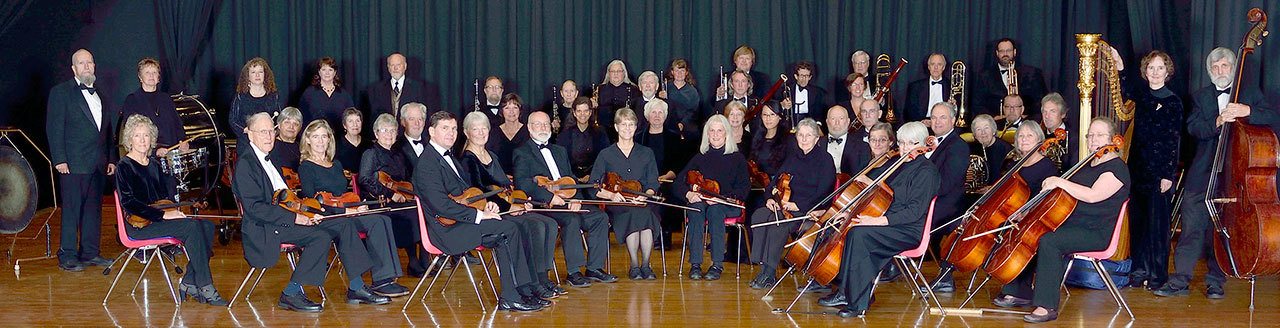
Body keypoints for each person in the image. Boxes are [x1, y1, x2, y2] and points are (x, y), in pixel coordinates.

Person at [1155, 47, 1278, 299]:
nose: (1220, 71)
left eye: (1225, 66)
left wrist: (1248, 112)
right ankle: (1180, 279)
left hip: (1234, 177)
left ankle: (1216, 280)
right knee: (1191, 228)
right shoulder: (1201, 97)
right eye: (1215, 67)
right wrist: (1217, 122)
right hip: (1202, 175)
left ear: (1234, 68)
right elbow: (1193, 128)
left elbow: (1273, 117)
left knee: (1223, 230)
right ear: (1210, 71)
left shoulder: (1250, 94)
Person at [992, 117, 1130, 323]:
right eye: (1090, 135)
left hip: (1096, 232)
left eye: (1100, 135)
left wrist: (1060, 181)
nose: (1093, 140)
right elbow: (1061, 197)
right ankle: (1019, 290)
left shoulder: (1116, 168)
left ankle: (1046, 306)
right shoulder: (1087, 164)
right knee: (1034, 230)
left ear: (1113, 138)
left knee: (1050, 241)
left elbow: (1092, 195)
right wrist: (1029, 211)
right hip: (1074, 225)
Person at [232, 112, 368, 312]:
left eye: (271, 131)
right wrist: (296, 217)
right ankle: (291, 293)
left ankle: (357, 286)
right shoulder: (246, 164)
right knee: (320, 237)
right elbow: (255, 209)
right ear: (250, 135)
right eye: (263, 132)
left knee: (344, 223)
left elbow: (286, 198)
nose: (269, 136)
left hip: (284, 218)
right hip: (266, 227)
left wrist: (306, 212)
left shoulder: (269, 159)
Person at [411, 111, 544, 312]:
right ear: (431, 132)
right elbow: (441, 206)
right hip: (445, 232)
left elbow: (467, 195)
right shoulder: (427, 163)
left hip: (460, 222)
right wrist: (480, 215)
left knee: (516, 226)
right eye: (445, 128)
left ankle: (523, 290)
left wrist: (485, 205)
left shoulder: (450, 158)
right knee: (508, 230)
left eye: (454, 128)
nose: (451, 133)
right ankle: (510, 296)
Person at [831, 122, 942, 318]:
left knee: (859, 234)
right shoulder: (899, 165)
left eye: (911, 143)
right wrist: (850, 215)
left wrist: (876, 221)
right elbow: (879, 199)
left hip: (908, 230)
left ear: (924, 143)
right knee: (853, 229)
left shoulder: (926, 171)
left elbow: (914, 212)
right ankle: (854, 293)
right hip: (889, 224)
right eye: (901, 143)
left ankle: (857, 302)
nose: (905, 149)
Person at [458, 111, 566, 303]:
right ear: (467, 133)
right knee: (534, 226)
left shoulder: (491, 155)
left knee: (548, 223)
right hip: (492, 211)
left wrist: (520, 201)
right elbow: (481, 193)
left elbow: (505, 187)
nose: (481, 132)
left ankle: (541, 277)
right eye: (476, 129)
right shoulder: (468, 159)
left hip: (507, 206)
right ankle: (531, 283)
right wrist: (511, 205)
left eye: (484, 128)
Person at [114, 114, 223, 305]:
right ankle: (206, 285)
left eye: (146, 136)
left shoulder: (154, 164)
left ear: (152, 140)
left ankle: (189, 282)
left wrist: (181, 206)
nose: (142, 140)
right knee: (191, 228)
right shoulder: (124, 166)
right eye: (137, 135)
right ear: (129, 139)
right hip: (139, 225)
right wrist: (164, 214)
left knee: (206, 226)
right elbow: (129, 203)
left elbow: (164, 198)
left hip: (158, 219)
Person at [296, 120, 410, 298]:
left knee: (381, 219)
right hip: (326, 217)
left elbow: (343, 195)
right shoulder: (306, 167)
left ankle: (384, 280)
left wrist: (358, 206)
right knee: (348, 225)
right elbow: (312, 204)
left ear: (329, 140)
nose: (320, 141)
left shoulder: (336, 165)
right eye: (315, 137)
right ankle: (358, 285)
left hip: (345, 212)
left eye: (324, 136)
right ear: (308, 140)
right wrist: (344, 212)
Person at [513, 111, 618, 287]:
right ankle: (574, 272)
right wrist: (550, 197)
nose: (543, 128)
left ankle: (594, 268)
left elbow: (571, 179)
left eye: (546, 124)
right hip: (545, 206)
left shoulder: (559, 151)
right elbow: (522, 184)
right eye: (538, 124)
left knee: (600, 218)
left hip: (569, 201)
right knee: (571, 219)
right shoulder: (522, 152)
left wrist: (576, 198)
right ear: (530, 128)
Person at [1114, 50, 1183, 290]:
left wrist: (1167, 175)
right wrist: (1120, 66)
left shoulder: (1173, 101)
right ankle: (1138, 270)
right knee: (1139, 222)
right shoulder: (1142, 96)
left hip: (1159, 173)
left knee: (1158, 226)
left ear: (1167, 72)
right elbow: (1125, 90)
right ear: (1145, 71)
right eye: (1151, 68)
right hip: (1137, 169)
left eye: (1159, 68)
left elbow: (1173, 141)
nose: (1154, 72)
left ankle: (1157, 275)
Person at [47, 48, 119, 272]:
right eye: (81, 63)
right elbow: (54, 127)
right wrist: (60, 159)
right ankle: (67, 255)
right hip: (73, 164)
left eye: (90, 62)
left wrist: (111, 158)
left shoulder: (101, 95)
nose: (87, 66)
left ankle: (89, 252)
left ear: (94, 66)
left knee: (92, 210)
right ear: (74, 69)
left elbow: (107, 132)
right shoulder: (61, 92)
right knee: (71, 210)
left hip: (97, 164)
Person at [748, 118, 836, 289]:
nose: (803, 139)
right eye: (800, 135)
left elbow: (825, 191)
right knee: (759, 215)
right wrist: (770, 198)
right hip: (784, 206)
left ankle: (769, 272)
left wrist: (799, 205)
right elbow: (774, 182)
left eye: (808, 135)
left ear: (816, 138)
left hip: (808, 210)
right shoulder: (792, 157)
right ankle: (762, 267)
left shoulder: (825, 159)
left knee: (778, 225)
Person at [589, 107, 663, 280]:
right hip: (618, 205)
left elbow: (653, 182)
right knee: (632, 213)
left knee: (645, 213)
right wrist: (611, 196)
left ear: (636, 127)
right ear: (616, 127)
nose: (627, 128)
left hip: (643, 202)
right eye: (623, 125)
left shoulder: (647, 153)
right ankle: (635, 265)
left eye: (631, 124)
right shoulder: (605, 154)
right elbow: (594, 185)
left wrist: (645, 195)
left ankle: (645, 264)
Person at [674, 114, 750, 280]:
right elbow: (678, 183)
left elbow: (744, 188)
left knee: (715, 211)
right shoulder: (700, 157)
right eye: (712, 131)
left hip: (728, 204)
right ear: (707, 134)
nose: (715, 135)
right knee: (695, 208)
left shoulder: (737, 158)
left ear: (726, 134)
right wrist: (689, 194)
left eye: (719, 131)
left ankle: (717, 264)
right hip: (703, 203)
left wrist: (721, 198)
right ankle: (695, 264)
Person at [358, 114, 431, 277]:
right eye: (384, 130)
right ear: (376, 133)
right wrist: (390, 193)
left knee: (421, 210)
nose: (389, 134)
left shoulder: (398, 154)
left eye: (392, 130)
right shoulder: (370, 153)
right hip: (379, 201)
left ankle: (425, 257)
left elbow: (406, 178)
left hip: (401, 198)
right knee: (410, 214)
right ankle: (413, 261)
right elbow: (364, 179)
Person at [924, 102, 971, 293]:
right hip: (933, 201)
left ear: (953, 120)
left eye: (943, 117)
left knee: (903, 217)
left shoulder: (957, 146)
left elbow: (946, 184)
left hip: (947, 206)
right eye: (934, 117)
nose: (937, 121)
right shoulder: (931, 142)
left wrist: (918, 196)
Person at [636, 99, 688, 248]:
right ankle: (645, 233)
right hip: (644, 180)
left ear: (665, 116)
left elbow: (679, 163)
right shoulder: (639, 138)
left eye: (660, 113)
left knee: (666, 193)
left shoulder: (674, 137)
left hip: (667, 179)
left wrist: (666, 176)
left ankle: (663, 233)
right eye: (654, 112)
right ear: (647, 116)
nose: (657, 116)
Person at [121, 57, 186, 156]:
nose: (151, 75)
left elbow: (177, 124)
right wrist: (155, 151)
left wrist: (183, 140)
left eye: (155, 72)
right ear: (140, 77)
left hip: (171, 154)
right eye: (147, 72)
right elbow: (132, 133)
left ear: (159, 77)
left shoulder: (166, 99)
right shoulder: (132, 100)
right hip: (148, 156)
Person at [977, 38, 1046, 119]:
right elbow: (978, 104)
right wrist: (993, 117)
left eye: (1008, 50)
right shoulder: (984, 76)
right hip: (996, 124)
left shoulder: (1032, 73)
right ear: (997, 53)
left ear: (1015, 52)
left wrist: (1029, 117)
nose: (1005, 54)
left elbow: (1040, 100)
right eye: (1002, 51)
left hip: (1026, 123)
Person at [556, 97, 610, 180]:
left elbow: (604, 158)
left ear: (590, 112)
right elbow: (561, 161)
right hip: (571, 178)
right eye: (579, 111)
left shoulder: (600, 133)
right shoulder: (564, 135)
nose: (582, 114)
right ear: (574, 113)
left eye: (586, 111)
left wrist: (591, 175)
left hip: (595, 177)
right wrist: (574, 177)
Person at [229, 57, 282, 141]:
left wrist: (273, 133)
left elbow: (279, 119)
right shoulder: (240, 97)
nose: (257, 75)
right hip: (247, 140)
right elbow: (233, 121)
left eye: (260, 72)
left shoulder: (273, 96)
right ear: (248, 76)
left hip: (269, 140)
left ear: (265, 75)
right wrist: (246, 131)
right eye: (253, 72)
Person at [365, 52, 427, 120]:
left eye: (398, 65)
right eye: (392, 65)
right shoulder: (377, 89)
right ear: (388, 68)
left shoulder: (418, 88)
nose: (395, 68)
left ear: (405, 66)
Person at [299, 56, 355, 128]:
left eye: (330, 70)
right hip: (315, 136)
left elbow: (351, 117)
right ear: (319, 72)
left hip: (339, 137)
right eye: (324, 69)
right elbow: (301, 118)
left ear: (335, 72)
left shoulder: (344, 95)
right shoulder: (309, 93)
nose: (327, 73)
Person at [593, 59, 640, 132]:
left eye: (619, 71)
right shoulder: (599, 89)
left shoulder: (633, 90)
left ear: (624, 73)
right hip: (603, 129)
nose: (616, 74)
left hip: (626, 129)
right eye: (613, 71)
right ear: (608, 73)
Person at [488, 93, 529, 172]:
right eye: (507, 108)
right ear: (501, 111)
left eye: (515, 108)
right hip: (500, 179)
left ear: (520, 111)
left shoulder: (528, 131)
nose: (511, 112)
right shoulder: (494, 132)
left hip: (525, 176)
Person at [905, 53, 951, 124]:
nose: (936, 67)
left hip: (945, 124)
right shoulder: (915, 87)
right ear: (929, 67)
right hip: (922, 124)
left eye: (939, 64)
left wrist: (954, 107)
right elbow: (909, 111)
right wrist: (921, 122)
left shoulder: (951, 86)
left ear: (944, 67)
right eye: (933, 64)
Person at [970, 114, 1014, 187]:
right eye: (978, 129)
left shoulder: (1006, 150)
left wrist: (990, 188)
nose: (983, 132)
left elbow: (1009, 179)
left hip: (998, 191)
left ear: (993, 131)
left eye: (986, 128)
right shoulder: (971, 149)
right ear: (975, 135)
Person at [661, 58, 702, 137]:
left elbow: (694, 111)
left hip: (687, 126)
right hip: (668, 125)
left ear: (686, 72)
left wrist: (683, 123)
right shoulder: (665, 88)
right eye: (677, 71)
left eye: (682, 71)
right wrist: (660, 98)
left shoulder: (692, 91)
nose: (679, 74)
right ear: (672, 72)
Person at [334, 108, 367, 175]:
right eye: (350, 121)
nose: (355, 124)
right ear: (344, 125)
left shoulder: (369, 145)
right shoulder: (336, 145)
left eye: (358, 121)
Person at [396, 102, 429, 169]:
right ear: (403, 122)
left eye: (420, 119)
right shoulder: (396, 148)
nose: (417, 123)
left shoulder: (432, 144)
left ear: (424, 122)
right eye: (412, 119)